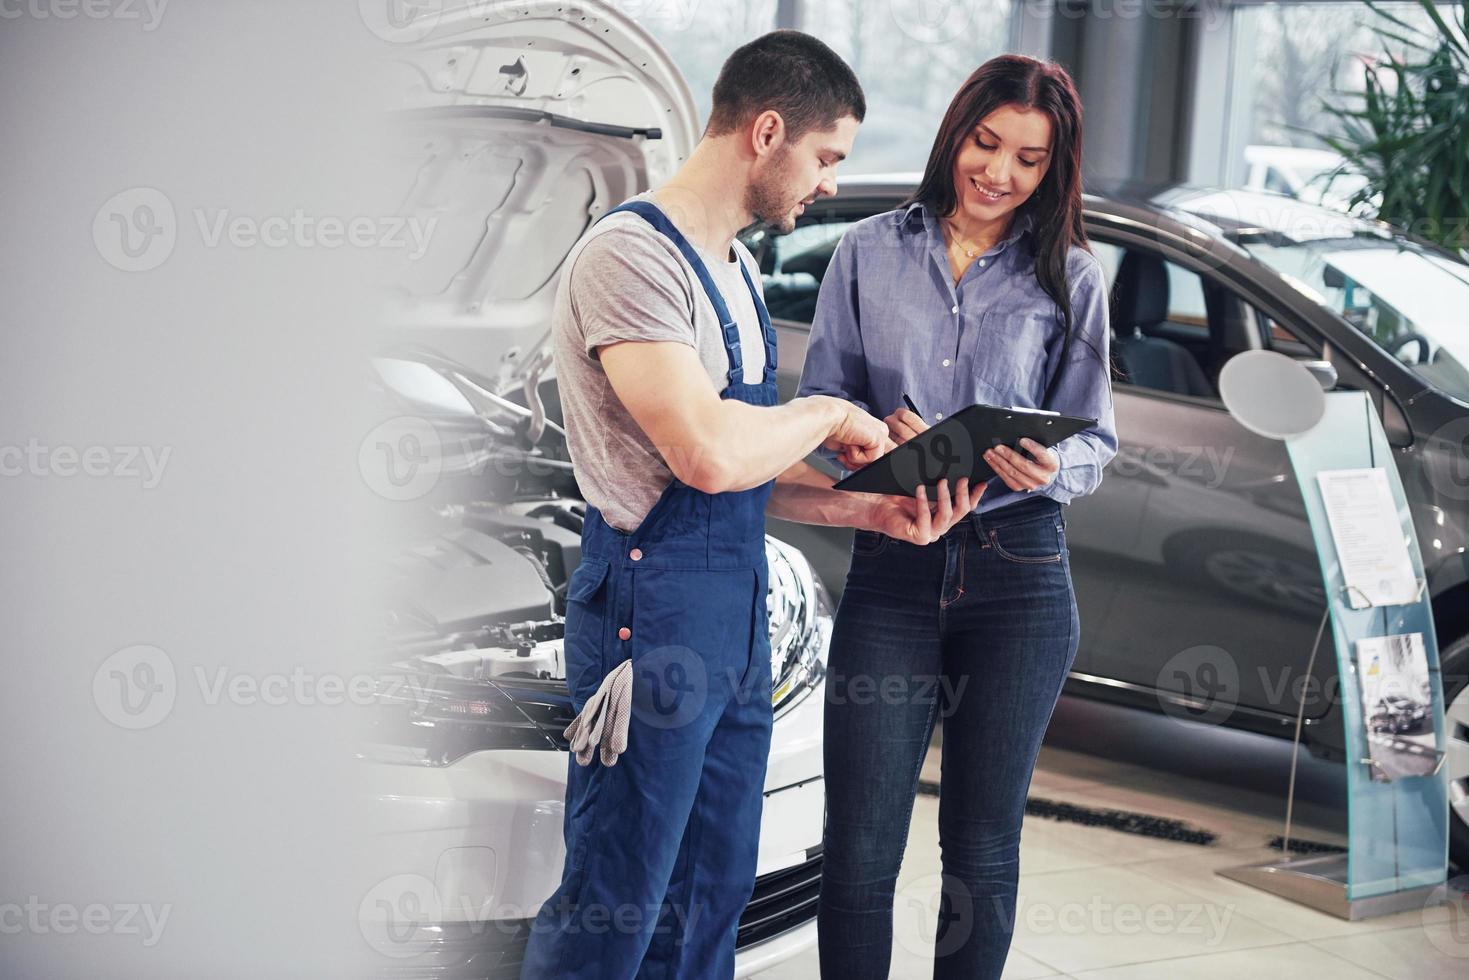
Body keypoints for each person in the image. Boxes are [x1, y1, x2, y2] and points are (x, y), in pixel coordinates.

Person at [521, 31, 975, 980]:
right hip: (650, 612)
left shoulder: (735, 269)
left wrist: (871, 511)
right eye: (825, 157)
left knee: (710, 894)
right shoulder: (631, 260)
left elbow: (751, 476)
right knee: (620, 894)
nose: (825, 185)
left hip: (732, 614)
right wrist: (830, 411)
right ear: (766, 132)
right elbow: (706, 452)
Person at [799, 55, 1118, 980]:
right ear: (955, 134)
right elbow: (822, 402)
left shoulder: (1072, 275)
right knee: (857, 851)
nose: (999, 173)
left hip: (1017, 575)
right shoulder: (866, 250)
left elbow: (1096, 440)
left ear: (1051, 169)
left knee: (981, 850)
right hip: (892, 570)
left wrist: (1052, 466)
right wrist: (865, 439)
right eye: (986, 144)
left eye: (1027, 158)